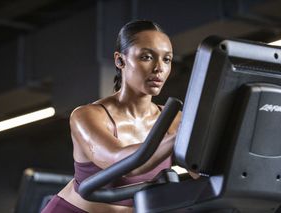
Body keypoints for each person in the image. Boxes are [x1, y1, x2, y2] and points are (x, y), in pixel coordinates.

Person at [41, 20, 181, 213]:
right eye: (147, 57)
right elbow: (121, 162)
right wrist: (179, 137)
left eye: (167, 59)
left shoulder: (175, 120)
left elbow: (205, 174)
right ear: (120, 60)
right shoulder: (87, 116)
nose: (159, 68)